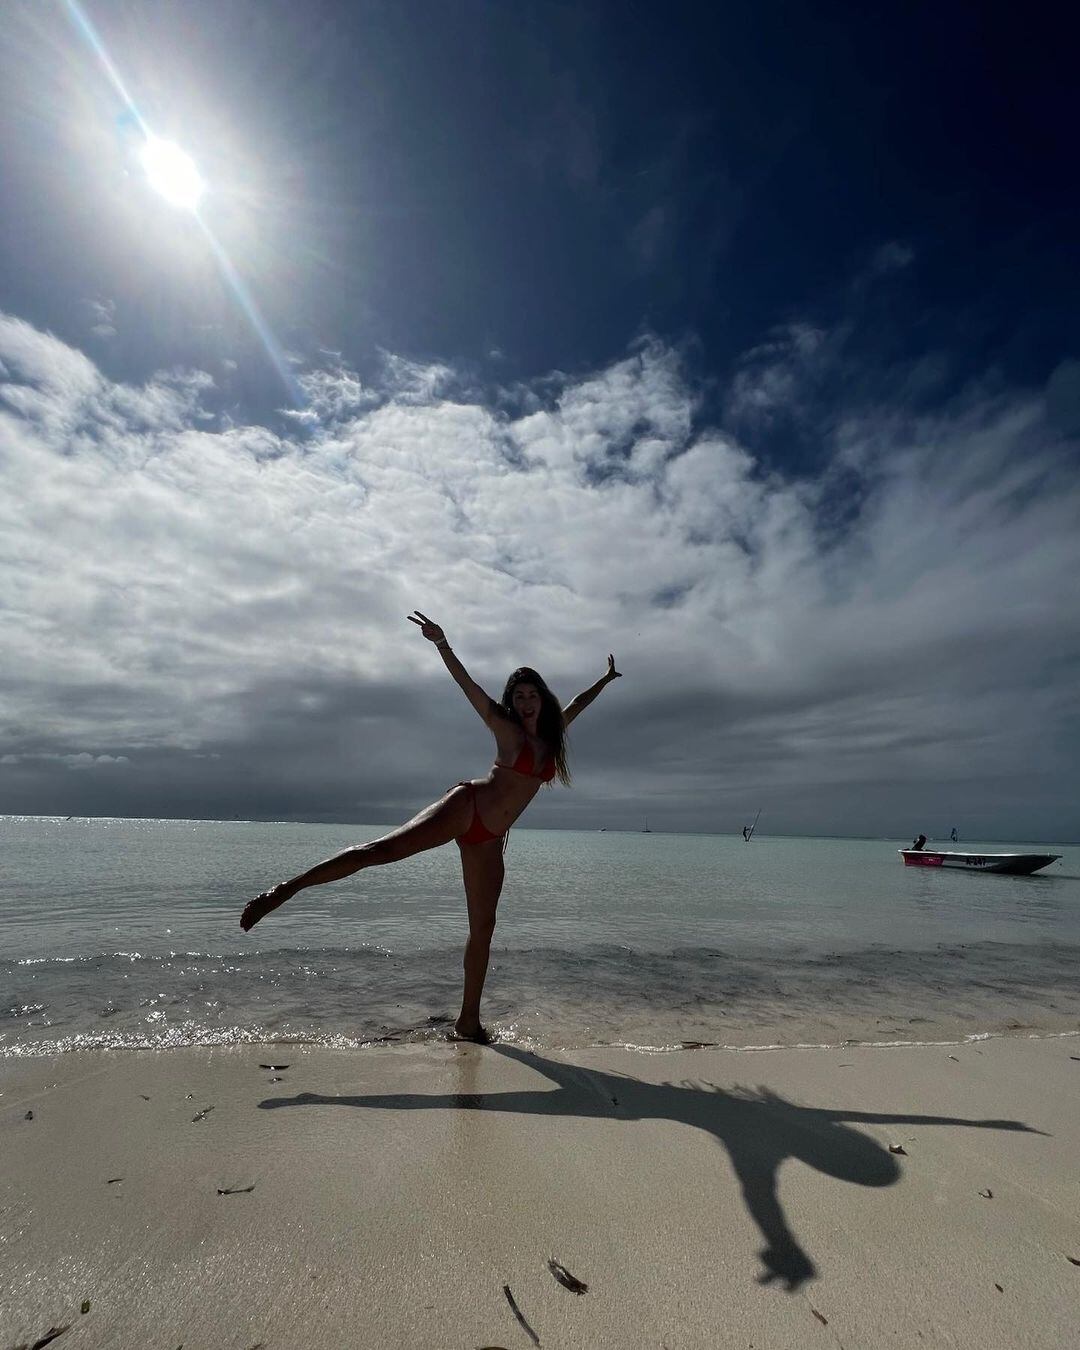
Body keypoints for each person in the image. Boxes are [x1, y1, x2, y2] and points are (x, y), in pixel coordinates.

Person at [239, 611, 622, 1042]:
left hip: (490, 841)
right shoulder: (505, 727)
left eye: (532, 694)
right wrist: (442, 644)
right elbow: (468, 687)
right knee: (380, 852)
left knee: (483, 930)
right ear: (511, 702)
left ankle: (468, 1020)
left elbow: (577, 705)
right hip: (467, 806)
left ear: (542, 697)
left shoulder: (551, 736)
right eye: (519, 696)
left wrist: (605, 681)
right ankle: (287, 889)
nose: (526, 702)